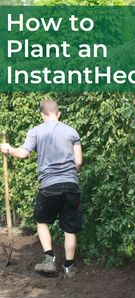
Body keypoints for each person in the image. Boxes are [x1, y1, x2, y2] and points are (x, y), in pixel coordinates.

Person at [0, 99, 82, 278]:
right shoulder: (72, 131)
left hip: (49, 186)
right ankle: (69, 268)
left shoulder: (36, 131)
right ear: (58, 113)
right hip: (70, 185)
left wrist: (8, 149)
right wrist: (68, 176)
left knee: (41, 220)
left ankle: (49, 259)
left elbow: (22, 153)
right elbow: (79, 162)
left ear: (41, 114)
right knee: (70, 228)